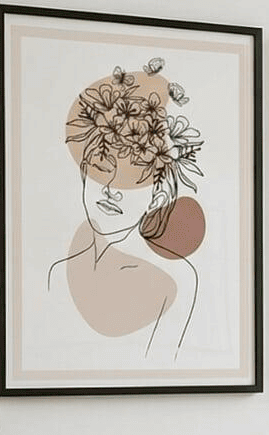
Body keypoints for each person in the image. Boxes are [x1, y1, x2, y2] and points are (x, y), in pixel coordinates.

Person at [53, 59, 205, 354]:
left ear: (157, 197)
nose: (110, 189)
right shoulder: (60, 264)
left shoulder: (172, 281)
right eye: (100, 169)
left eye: (130, 178)